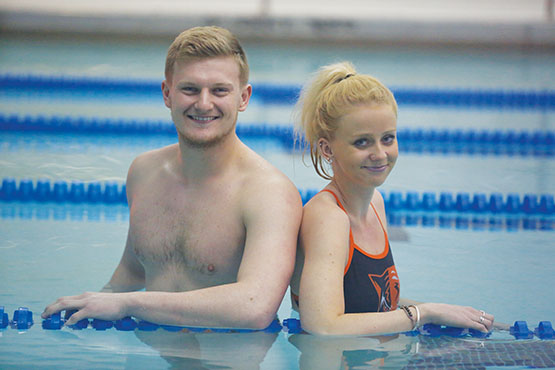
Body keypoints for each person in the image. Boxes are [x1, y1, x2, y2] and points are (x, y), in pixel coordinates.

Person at [42, 26, 302, 330]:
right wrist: (93, 305)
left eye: (220, 90)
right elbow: (133, 272)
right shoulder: (144, 172)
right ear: (167, 93)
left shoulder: (268, 193)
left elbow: (254, 307)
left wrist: (127, 303)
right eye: (190, 89)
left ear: (243, 97)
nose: (204, 104)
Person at [289, 61, 494, 335]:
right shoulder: (328, 218)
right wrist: (426, 312)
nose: (380, 154)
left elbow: (376, 307)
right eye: (362, 142)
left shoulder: (375, 203)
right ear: (327, 149)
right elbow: (324, 325)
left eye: (387, 138)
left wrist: (448, 312)